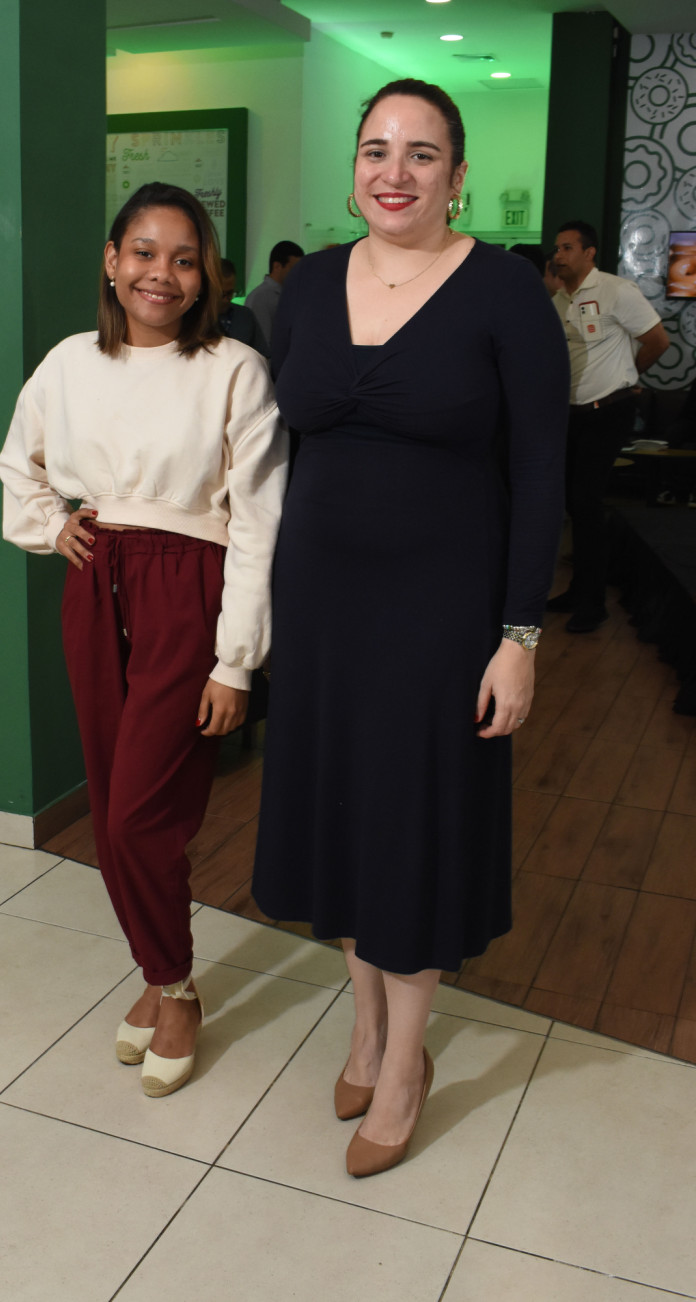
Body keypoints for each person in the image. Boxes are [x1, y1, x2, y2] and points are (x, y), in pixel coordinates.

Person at [252, 79, 569, 1178]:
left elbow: (538, 473)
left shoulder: (501, 295)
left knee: (413, 828)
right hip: (323, 613)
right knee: (342, 817)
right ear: (352, 166)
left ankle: (405, 1063)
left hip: (441, 619)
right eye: (375, 148)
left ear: (457, 174)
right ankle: (363, 1023)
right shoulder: (310, 288)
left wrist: (517, 637)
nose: (394, 172)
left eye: (421, 154)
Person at [0, 183, 287, 1099]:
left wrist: (235, 658)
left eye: (185, 258)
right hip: (97, 585)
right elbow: (19, 465)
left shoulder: (235, 369)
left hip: (186, 592)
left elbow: (258, 523)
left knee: (138, 816)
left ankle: (174, 990)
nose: (162, 273)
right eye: (145, 253)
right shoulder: (67, 363)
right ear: (112, 262)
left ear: (206, 278)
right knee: (110, 797)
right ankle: (166, 975)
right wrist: (52, 528)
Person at [548, 220, 670, 632]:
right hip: (573, 413)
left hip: (608, 409)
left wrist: (629, 379)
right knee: (575, 505)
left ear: (589, 252)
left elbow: (658, 341)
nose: (558, 255)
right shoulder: (560, 299)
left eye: (566, 248)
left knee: (586, 502)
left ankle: (593, 603)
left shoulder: (616, 291)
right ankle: (580, 590)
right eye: (557, 249)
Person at [244, 239, 304, 349]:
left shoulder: (291, 294)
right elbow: (262, 344)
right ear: (277, 266)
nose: (298, 274)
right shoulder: (261, 297)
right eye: (294, 269)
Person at [217, 257, 268, 355]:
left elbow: (262, 355)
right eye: (221, 294)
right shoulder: (194, 318)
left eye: (230, 293)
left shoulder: (245, 316)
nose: (226, 299)